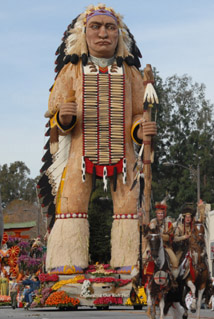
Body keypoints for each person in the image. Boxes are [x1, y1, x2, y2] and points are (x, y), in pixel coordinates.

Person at [38, 4, 158, 274]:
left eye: (110, 27)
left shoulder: (131, 74)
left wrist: (141, 129)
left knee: (129, 208)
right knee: (71, 205)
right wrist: (65, 118)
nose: (103, 33)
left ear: (119, 35)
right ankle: (66, 264)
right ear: (84, 33)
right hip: (79, 154)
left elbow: (139, 113)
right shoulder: (71, 72)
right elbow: (55, 112)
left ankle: (129, 264)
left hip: (124, 156)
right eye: (96, 26)